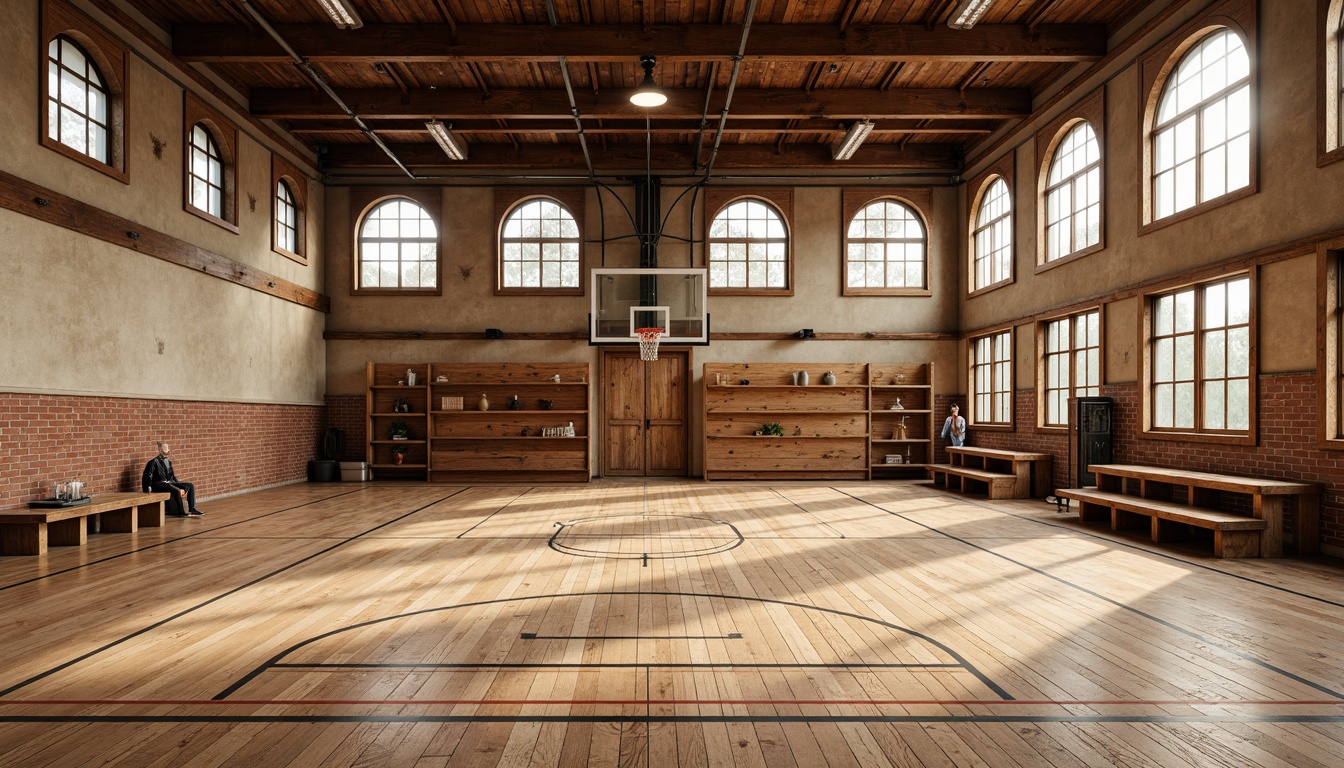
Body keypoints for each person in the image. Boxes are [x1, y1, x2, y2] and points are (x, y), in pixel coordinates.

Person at [142, 441, 204, 517]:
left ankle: (192, 508)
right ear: (160, 450)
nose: (168, 450)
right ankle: (181, 511)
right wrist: (148, 486)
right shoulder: (153, 462)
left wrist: (178, 484)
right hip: (159, 484)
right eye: (166, 448)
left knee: (190, 485)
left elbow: (172, 476)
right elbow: (148, 475)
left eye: (168, 448)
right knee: (175, 489)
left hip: (169, 483)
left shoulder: (168, 462)